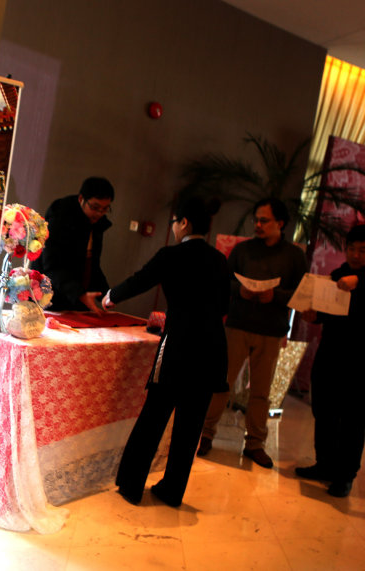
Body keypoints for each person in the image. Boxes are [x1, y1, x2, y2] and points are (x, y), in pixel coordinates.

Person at [101, 196, 229, 507]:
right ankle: (172, 491)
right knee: (190, 425)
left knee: (154, 416)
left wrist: (110, 297)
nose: (172, 228)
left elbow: (139, 281)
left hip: (179, 346)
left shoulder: (171, 255)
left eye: (173, 222)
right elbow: (226, 305)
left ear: (184, 222)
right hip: (212, 347)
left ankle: (131, 486)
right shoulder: (220, 260)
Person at [198, 198, 308, 468]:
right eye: (256, 220)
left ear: (280, 224)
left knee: (261, 392)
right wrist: (240, 290)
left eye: (264, 220)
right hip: (238, 324)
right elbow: (224, 282)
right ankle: (204, 435)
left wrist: (276, 296)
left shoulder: (294, 256)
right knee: (220, 383)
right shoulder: (243, 250)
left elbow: (301, 294)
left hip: (271, 330)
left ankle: (255, 444)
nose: (257, 225)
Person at [295, 224, 365, 497]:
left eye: (362, 250)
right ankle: (324, 464)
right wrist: (313, 315)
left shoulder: (357, 279)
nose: (356, 255)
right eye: (351, 249)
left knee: (352, 419)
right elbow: (325, 311)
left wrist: (358, 282)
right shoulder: (337, 275)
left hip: (359, 361)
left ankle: (345, 475)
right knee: (323, 410)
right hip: (330, 354)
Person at [32, 176, 114, 313]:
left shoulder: (97, 223)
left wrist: (107, 294)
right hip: (48, 294)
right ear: (81, 199)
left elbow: (92, 265)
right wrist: (80, 294)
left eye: (105, 209)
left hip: (77, 295)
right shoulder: (59, 218)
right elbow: (52, 265)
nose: (100, 213)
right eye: (95, 207)